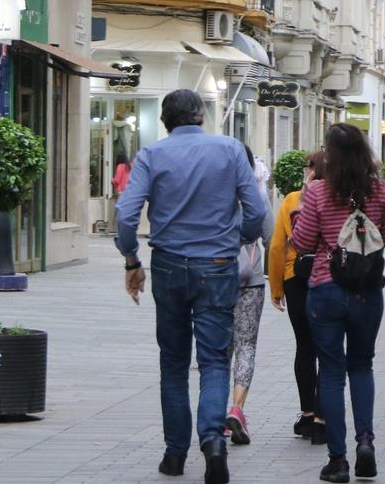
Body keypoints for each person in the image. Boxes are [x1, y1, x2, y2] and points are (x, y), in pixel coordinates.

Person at [116, 89, 267, 484]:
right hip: (217, 265)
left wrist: (131, 258)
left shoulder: (152, 155)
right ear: (202, 116)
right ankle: (213, 441)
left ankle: (175, 454)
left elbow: (126, 214)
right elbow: (257, 210)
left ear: (165, 122)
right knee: (215, 360)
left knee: (174, 362)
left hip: (167, 264)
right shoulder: (231, 150)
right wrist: (238, 239)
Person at [291, 124, 385, 483]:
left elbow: (303, 241)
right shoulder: (379, 189)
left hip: (326, 287)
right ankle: (365, 441)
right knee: (362, 366)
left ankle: (338, 460)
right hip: (368, 290)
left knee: (333, 372)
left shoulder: (319, 191)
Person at [267, 152, 328, 444]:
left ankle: (306, 414)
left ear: (312, 171)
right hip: (328, 279)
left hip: (296, 277)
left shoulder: (293, 200)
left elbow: (277, 247)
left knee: (304, 346)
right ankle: (321, 416)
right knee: (326, 347)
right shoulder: (339, 198)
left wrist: (276, 287)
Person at [224, 146, 274, 446]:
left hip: (215, 277)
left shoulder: (213, 194)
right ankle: (237, 409)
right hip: (250, 279)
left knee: (220, 349)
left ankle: (215, 412)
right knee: (246, 347)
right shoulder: (256, 195)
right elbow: (272, 240)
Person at [108, 153, 131, 234]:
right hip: (131, 192)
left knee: (120, 212)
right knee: (128, 212)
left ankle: (119, 230)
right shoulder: (131, 166)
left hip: (122, 192)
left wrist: (112, 180)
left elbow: (117, 180)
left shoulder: (120, 166)